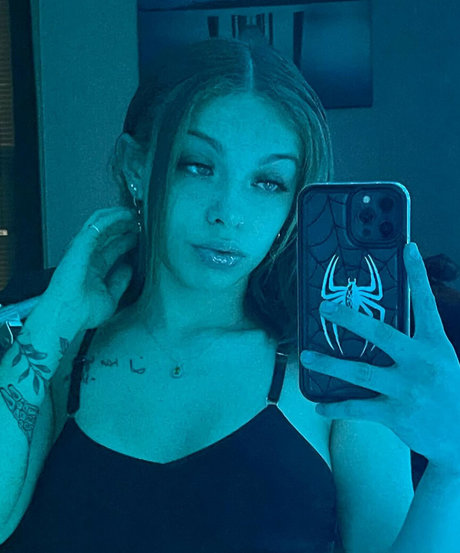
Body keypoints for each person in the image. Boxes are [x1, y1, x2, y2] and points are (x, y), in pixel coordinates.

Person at [0, 37, 459, 553]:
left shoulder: (334, 372)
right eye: (197, 165)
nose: (228, 213)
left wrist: (452, 467)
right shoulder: (58, 354)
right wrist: (54, 319)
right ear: (135, 167)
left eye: (268, 182)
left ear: (296, 201)